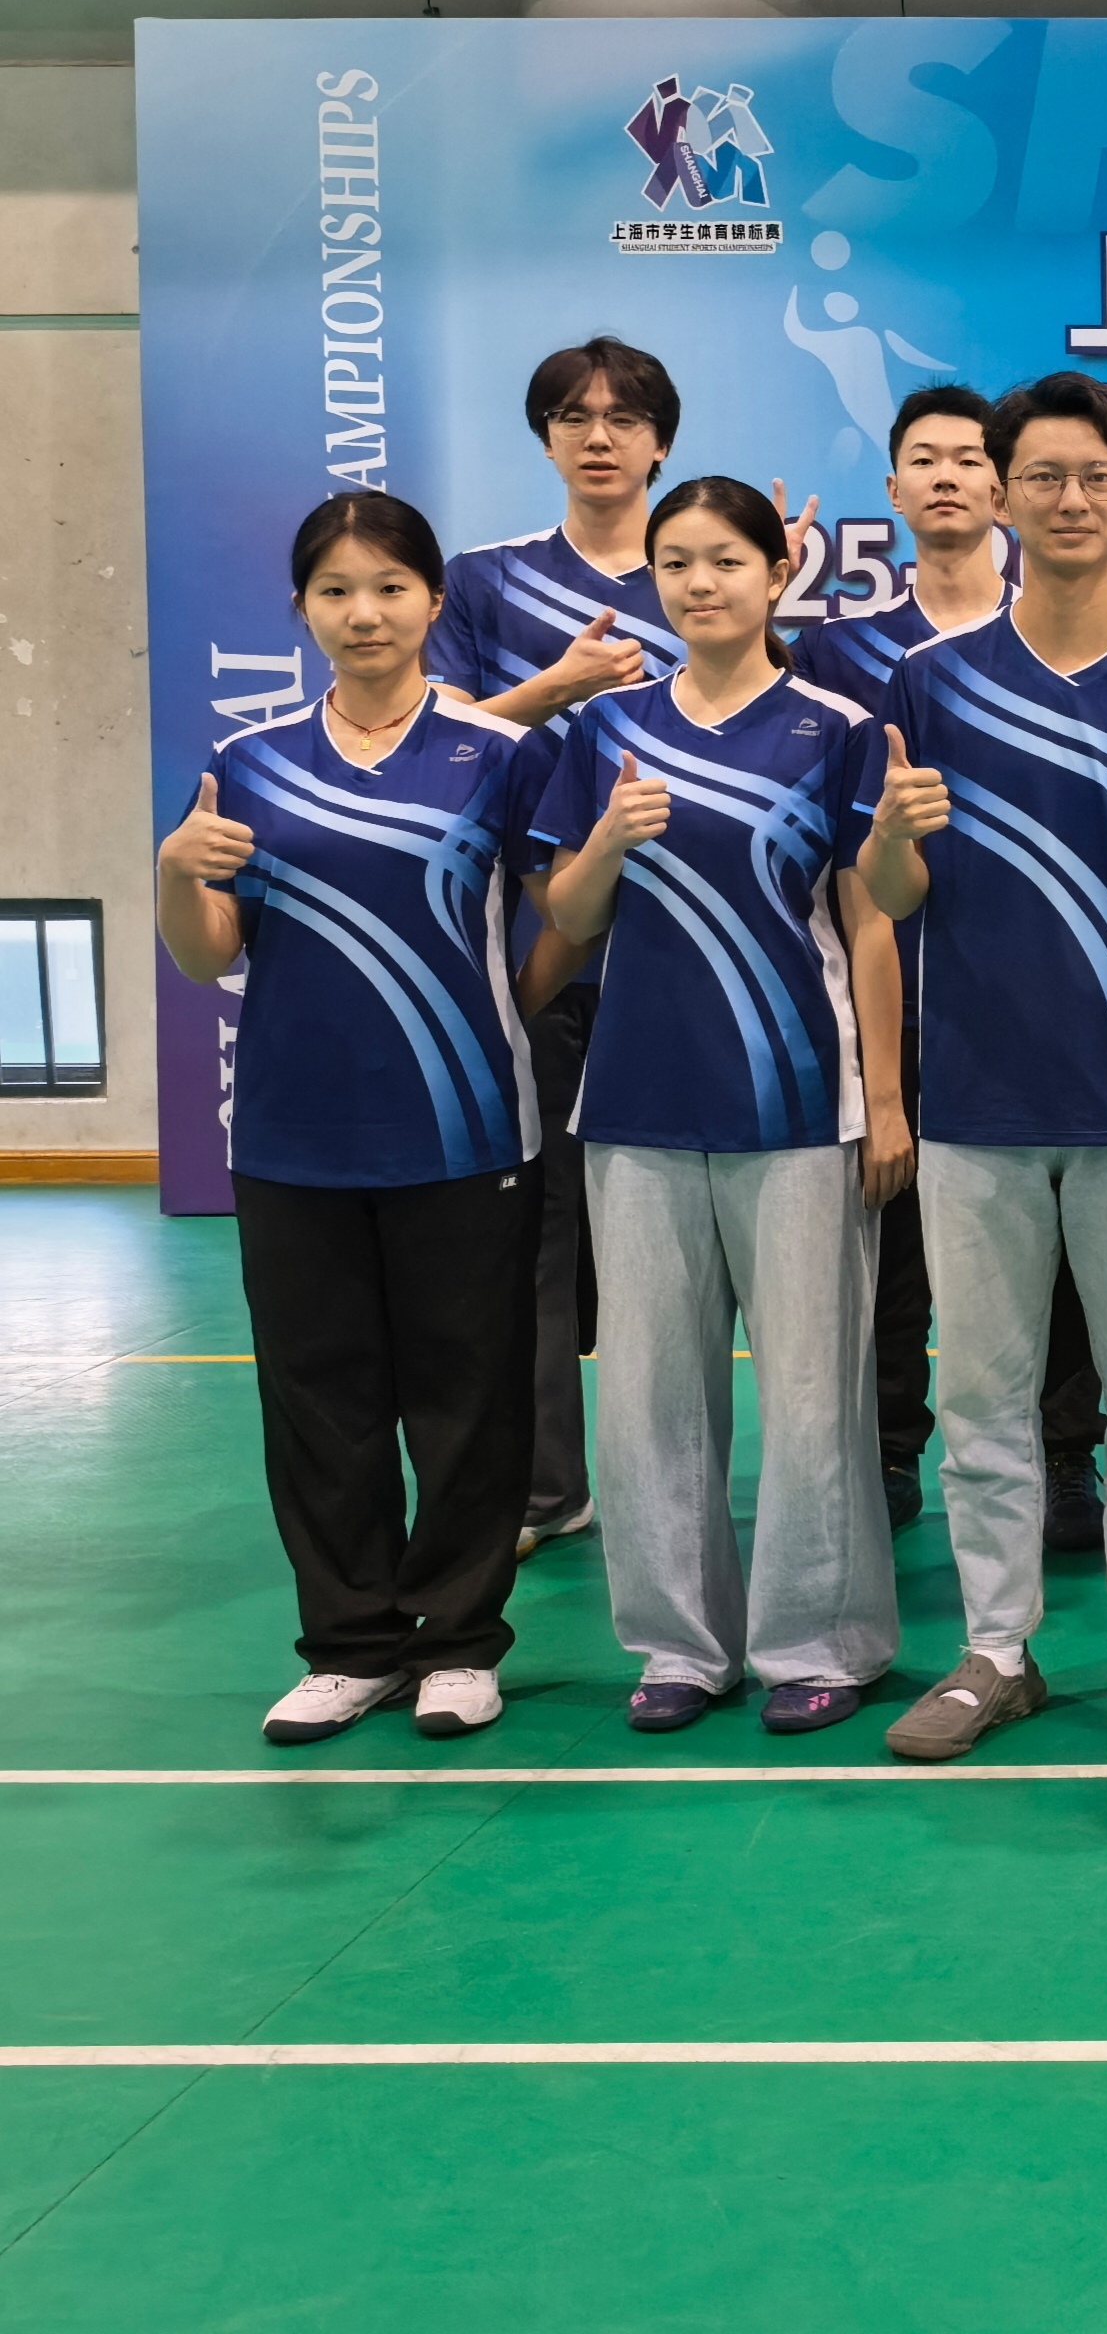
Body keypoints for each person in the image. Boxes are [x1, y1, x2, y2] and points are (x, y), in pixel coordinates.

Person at [859, 372, 1107, 1762]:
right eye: (1042, 475)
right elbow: (892, 896)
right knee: (982, 1394)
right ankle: (996, 1649)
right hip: (975, 1095)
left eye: (1096, 476)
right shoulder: (931, 680)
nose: (1069, 498)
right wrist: (891, 834)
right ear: (1003, 494)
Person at [154, 493, 551, 1746]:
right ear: (302, 610)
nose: (363, 612)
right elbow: (208, 952)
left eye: (389, 588)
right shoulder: (250, 760)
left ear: (433, 602)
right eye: (336, 591)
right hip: (291, 1137)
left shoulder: (501, 753)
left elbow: (550, 932)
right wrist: (170, 874)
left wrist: (497, 1028)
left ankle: (461, 1642)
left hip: (463, 1131)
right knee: (318, 1402)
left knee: (468, 1396)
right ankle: (350, 1647)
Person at [531, 477, 905, 1737]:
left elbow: (869, 921)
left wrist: (887, 1100)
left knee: (813, 1394)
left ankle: (821, 1640)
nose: (700, 583)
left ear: (776, 573)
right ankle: (680, 1646)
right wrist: (605, 843)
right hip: (637, 1102)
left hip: (799, 1104)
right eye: (677, 562)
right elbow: (568, 916)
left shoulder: (837, 727)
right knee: (646, 1395)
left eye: (727, 560)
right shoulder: (606, 730)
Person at [788, 384, 1107, 1542]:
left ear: (1003, 488)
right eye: (922, 458)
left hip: (1036, 995)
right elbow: (839, 854)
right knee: (895, 1240)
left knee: (1063, 1243)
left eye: (970, 458)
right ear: (891, 490)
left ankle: (1065, 1455)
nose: (946, 476)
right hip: (889, 990)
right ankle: (888, 1447)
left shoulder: (1066, 642)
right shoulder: (836, 651)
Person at [429, 336, 686, 1562]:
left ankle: (672, 1483)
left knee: (667, 1247)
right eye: (573, 416)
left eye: (623, 416)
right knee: (535, 1229)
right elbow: (431, 736)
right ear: (544, 437)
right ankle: (545, 1487)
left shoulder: (700, 571)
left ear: (660, 442)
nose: (598, 435)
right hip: (532, 945)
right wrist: (559, 685)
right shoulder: (483, 584)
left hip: (685, 956)